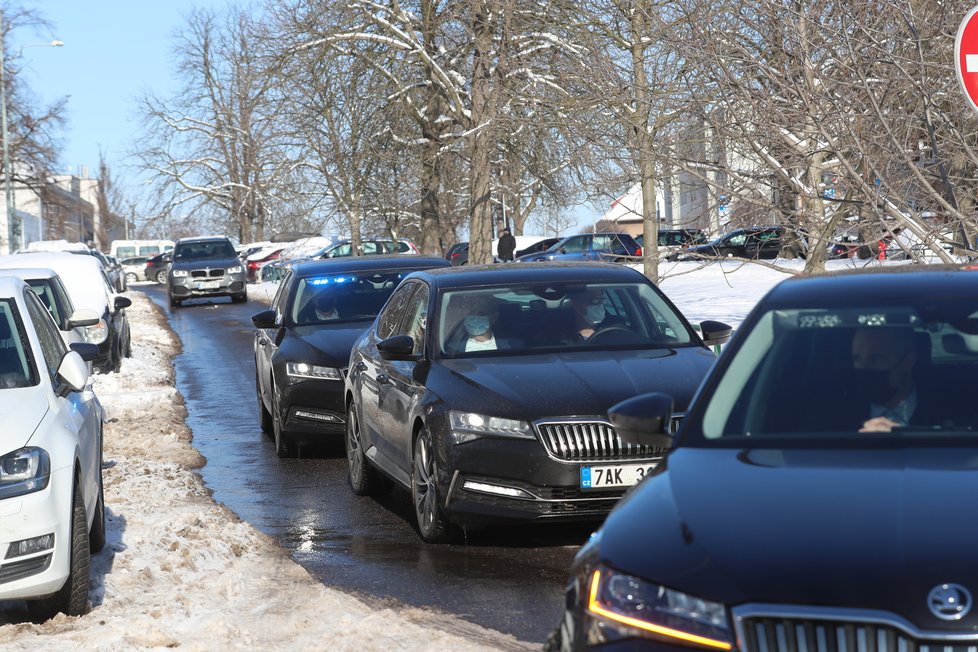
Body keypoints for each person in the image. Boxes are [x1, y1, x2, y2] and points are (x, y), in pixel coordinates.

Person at [851, 327, 918, 432]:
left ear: (908, 362)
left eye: (875, 357)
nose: (864, 367)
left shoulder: (945, 410)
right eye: (857, 358)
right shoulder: (834, 414)